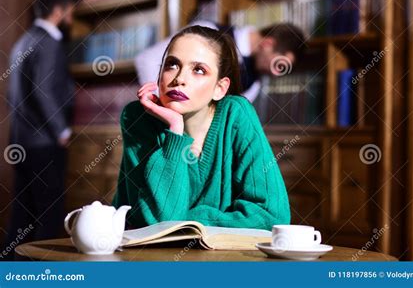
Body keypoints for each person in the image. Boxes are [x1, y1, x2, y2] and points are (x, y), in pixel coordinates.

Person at [113, 25, 290, 230]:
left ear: (219, 88)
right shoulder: (137, 118)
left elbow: (272, 216)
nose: (179, 79)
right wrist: (175, 131)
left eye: (198, 70)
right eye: (171, 65)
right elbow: (158, 224)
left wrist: (191, 220)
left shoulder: (236, 114)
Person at [3, 0, 79, 258]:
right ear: (59, 11)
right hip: (46, 142)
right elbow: (43, 90)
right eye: (70, 10)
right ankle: (45, 276)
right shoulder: (50, 42)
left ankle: (9, 273)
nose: (72, 16)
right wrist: (61, 129)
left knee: (22, 216)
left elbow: (15, 96)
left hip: (22, 141)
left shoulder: (23, 41)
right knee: (49, 215)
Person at [135, 21, 305, 102]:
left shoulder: (253, 85)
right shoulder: (209, 32)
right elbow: (147, 61)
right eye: (280, 65)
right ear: (268, 44)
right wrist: (160, 104)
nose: (276, 74)